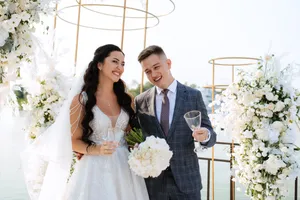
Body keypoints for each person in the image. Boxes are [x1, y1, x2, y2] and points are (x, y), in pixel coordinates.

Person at [22, 44, 149, 200]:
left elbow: (130, 135)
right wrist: (97, 149)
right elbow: (73, 141)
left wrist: (141, 149)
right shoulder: (82, 100)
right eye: (115, 61)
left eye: (123, 64)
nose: (120, 67)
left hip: (125, 171)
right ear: (99, 64)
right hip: (93, 171)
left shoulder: (126, 99)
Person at [135, 45, 217, 200]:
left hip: (187, 182)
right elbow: (135, 135)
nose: (153, 74)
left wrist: (205, 135)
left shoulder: (193, 96)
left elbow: (211, 136)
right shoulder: (140, 100)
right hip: (153, 185)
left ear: (168, 63)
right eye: (147, 71)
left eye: (156, 67)